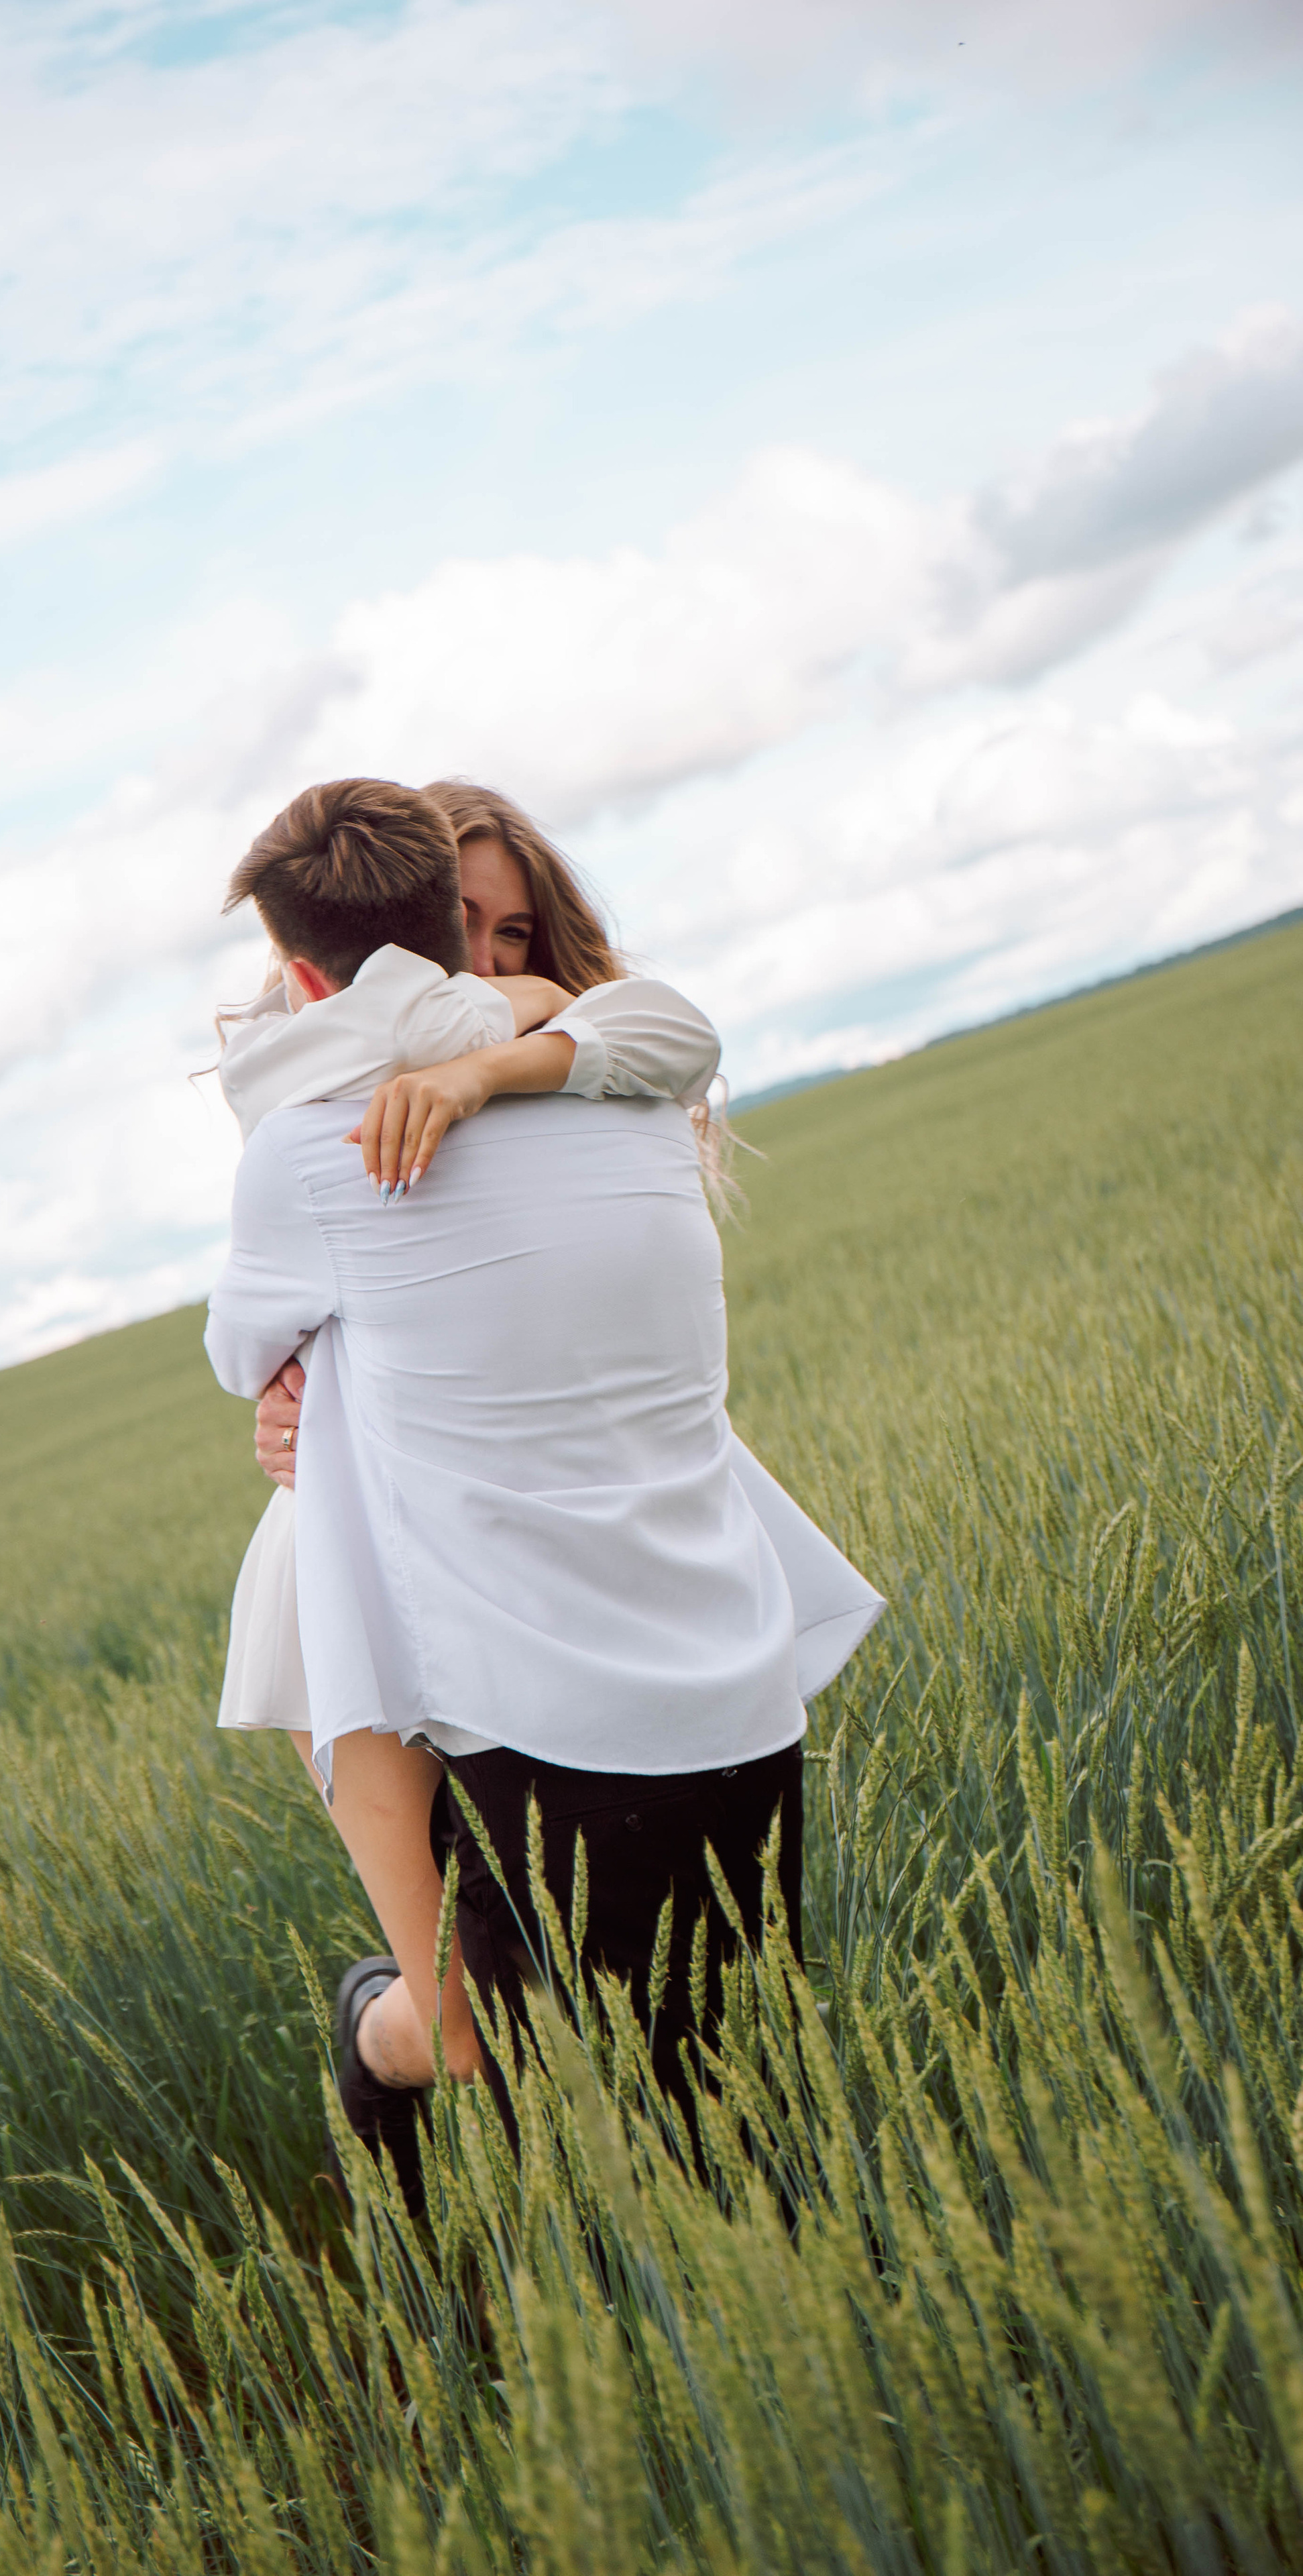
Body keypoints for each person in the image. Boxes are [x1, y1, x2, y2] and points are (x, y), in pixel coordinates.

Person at [204, 777, 883, 2193]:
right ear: (429, 935)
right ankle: (415, 2106)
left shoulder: (600, 1062)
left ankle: (601, 2286)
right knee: (502, 2040)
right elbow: (277, 1363)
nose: (505, 961)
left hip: (580, 1615)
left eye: (523, 934)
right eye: (477, 932)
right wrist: (299, 1420)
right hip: (387, 1603)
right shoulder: (358, 1121)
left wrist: (476, 1056)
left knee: (647, 2064)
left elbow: (248, 1342)